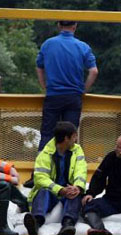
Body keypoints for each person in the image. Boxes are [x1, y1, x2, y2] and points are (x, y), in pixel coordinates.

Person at [35, 20, 98, 152]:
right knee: (70, 136)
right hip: (73, 97)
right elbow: (93, 71)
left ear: (59, 26)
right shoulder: (83, 47)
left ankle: (42, 169)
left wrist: (44, 86)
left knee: (47, 135)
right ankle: (68, 169)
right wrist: (83, 90)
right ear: (75, 26)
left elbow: (39, 67)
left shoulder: (48, 44)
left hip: (53, 95)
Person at [23, 122, 87, 235]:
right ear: (66, 138)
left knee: (75, 194)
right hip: (53, 191)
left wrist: (77, 187)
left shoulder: (77, 150)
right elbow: (40, 178)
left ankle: (68, 225)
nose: (76, 139)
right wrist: (59, 189)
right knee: (43, 190)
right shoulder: (45, 153)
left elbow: (81, 170)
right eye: (74, 136)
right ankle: (35, 223)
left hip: (69, 191)